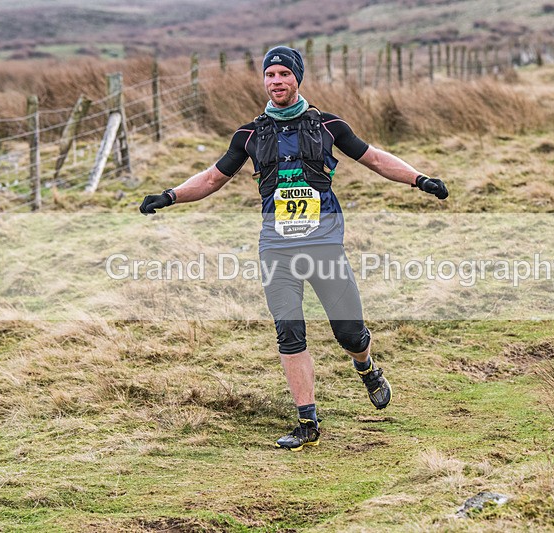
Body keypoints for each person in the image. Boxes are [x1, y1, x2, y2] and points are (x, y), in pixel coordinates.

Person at [140, 46, 448, 451]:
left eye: (284, 74)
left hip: (324, 245)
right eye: (270, 75)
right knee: (289, 332)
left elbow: (374, 159)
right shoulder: (249, 135)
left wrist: (419, 179)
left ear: (297, 78)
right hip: (276, 248)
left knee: (351, 334)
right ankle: (307, 422)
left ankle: (367, 367)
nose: (276, 81)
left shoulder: (328, 125)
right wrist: (170, 195)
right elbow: (213, 178)